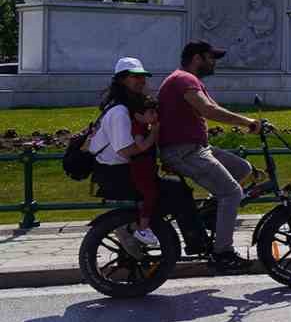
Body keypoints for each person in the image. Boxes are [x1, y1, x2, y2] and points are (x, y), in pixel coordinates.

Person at [158, 41, 262, 273]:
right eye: (210, 57)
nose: (214, 62)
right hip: (183, 151)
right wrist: (247, 122)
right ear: (197, 58)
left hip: (196, 147)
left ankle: (208, 218)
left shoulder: (191, 81)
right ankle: (222, 253)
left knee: (242, 169)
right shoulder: (183, 79)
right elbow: (209, 111)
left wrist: (250, 123)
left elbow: (214, 107)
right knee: (232, 192)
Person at [87, 58, 192, 247]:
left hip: (122, 172)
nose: (141, 81)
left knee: (174, 189)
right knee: (178, 190)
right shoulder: (119, 112)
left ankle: (151, 228)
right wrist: (153, 134)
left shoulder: (126, 107)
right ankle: (148, 229)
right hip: (119, 175)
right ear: (121, 80)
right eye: (135, 77)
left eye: (143, 77)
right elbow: (127, 150)